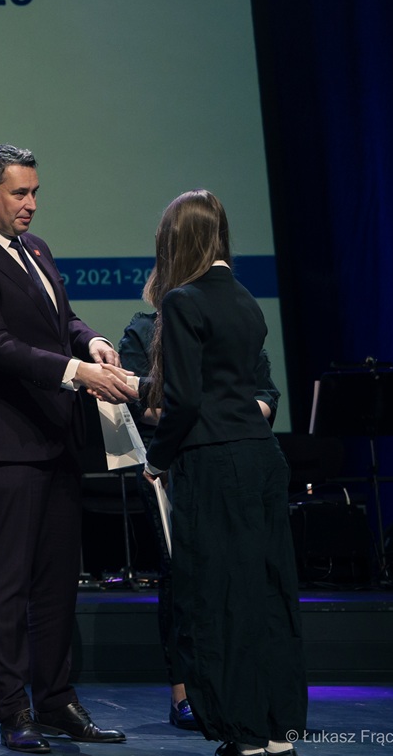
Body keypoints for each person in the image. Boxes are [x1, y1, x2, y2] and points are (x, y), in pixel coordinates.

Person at [0, 145, 135, 753]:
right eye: (19, 193)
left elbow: (61, 321)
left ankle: (56, 701)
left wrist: (91, 341)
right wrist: (76, 372)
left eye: (34, 192)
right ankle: (13, 711)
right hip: (7, 444)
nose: (31, 204)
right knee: (7, 584)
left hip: (56, 437)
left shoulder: (37, 249)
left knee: (56, 582)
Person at [142, 191, 306, 756]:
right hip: (263, 459)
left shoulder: (182, 302)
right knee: (268, 594)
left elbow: (185, 401)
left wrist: (156, 459)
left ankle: (243, 733)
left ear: (175, 242)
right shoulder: (246, 300)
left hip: (214, 464)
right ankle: (278, 730)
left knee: (219, 597)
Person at [118, 295, 279, 733]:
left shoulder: (231, 322)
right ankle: (184, 692)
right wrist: (216, 415)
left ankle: (241, 686)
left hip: (235, 463)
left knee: (242, 573)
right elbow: (140, 404)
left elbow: (265, 393)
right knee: (183, 578)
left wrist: (211, 416)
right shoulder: (145, 328)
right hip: (172, 467)